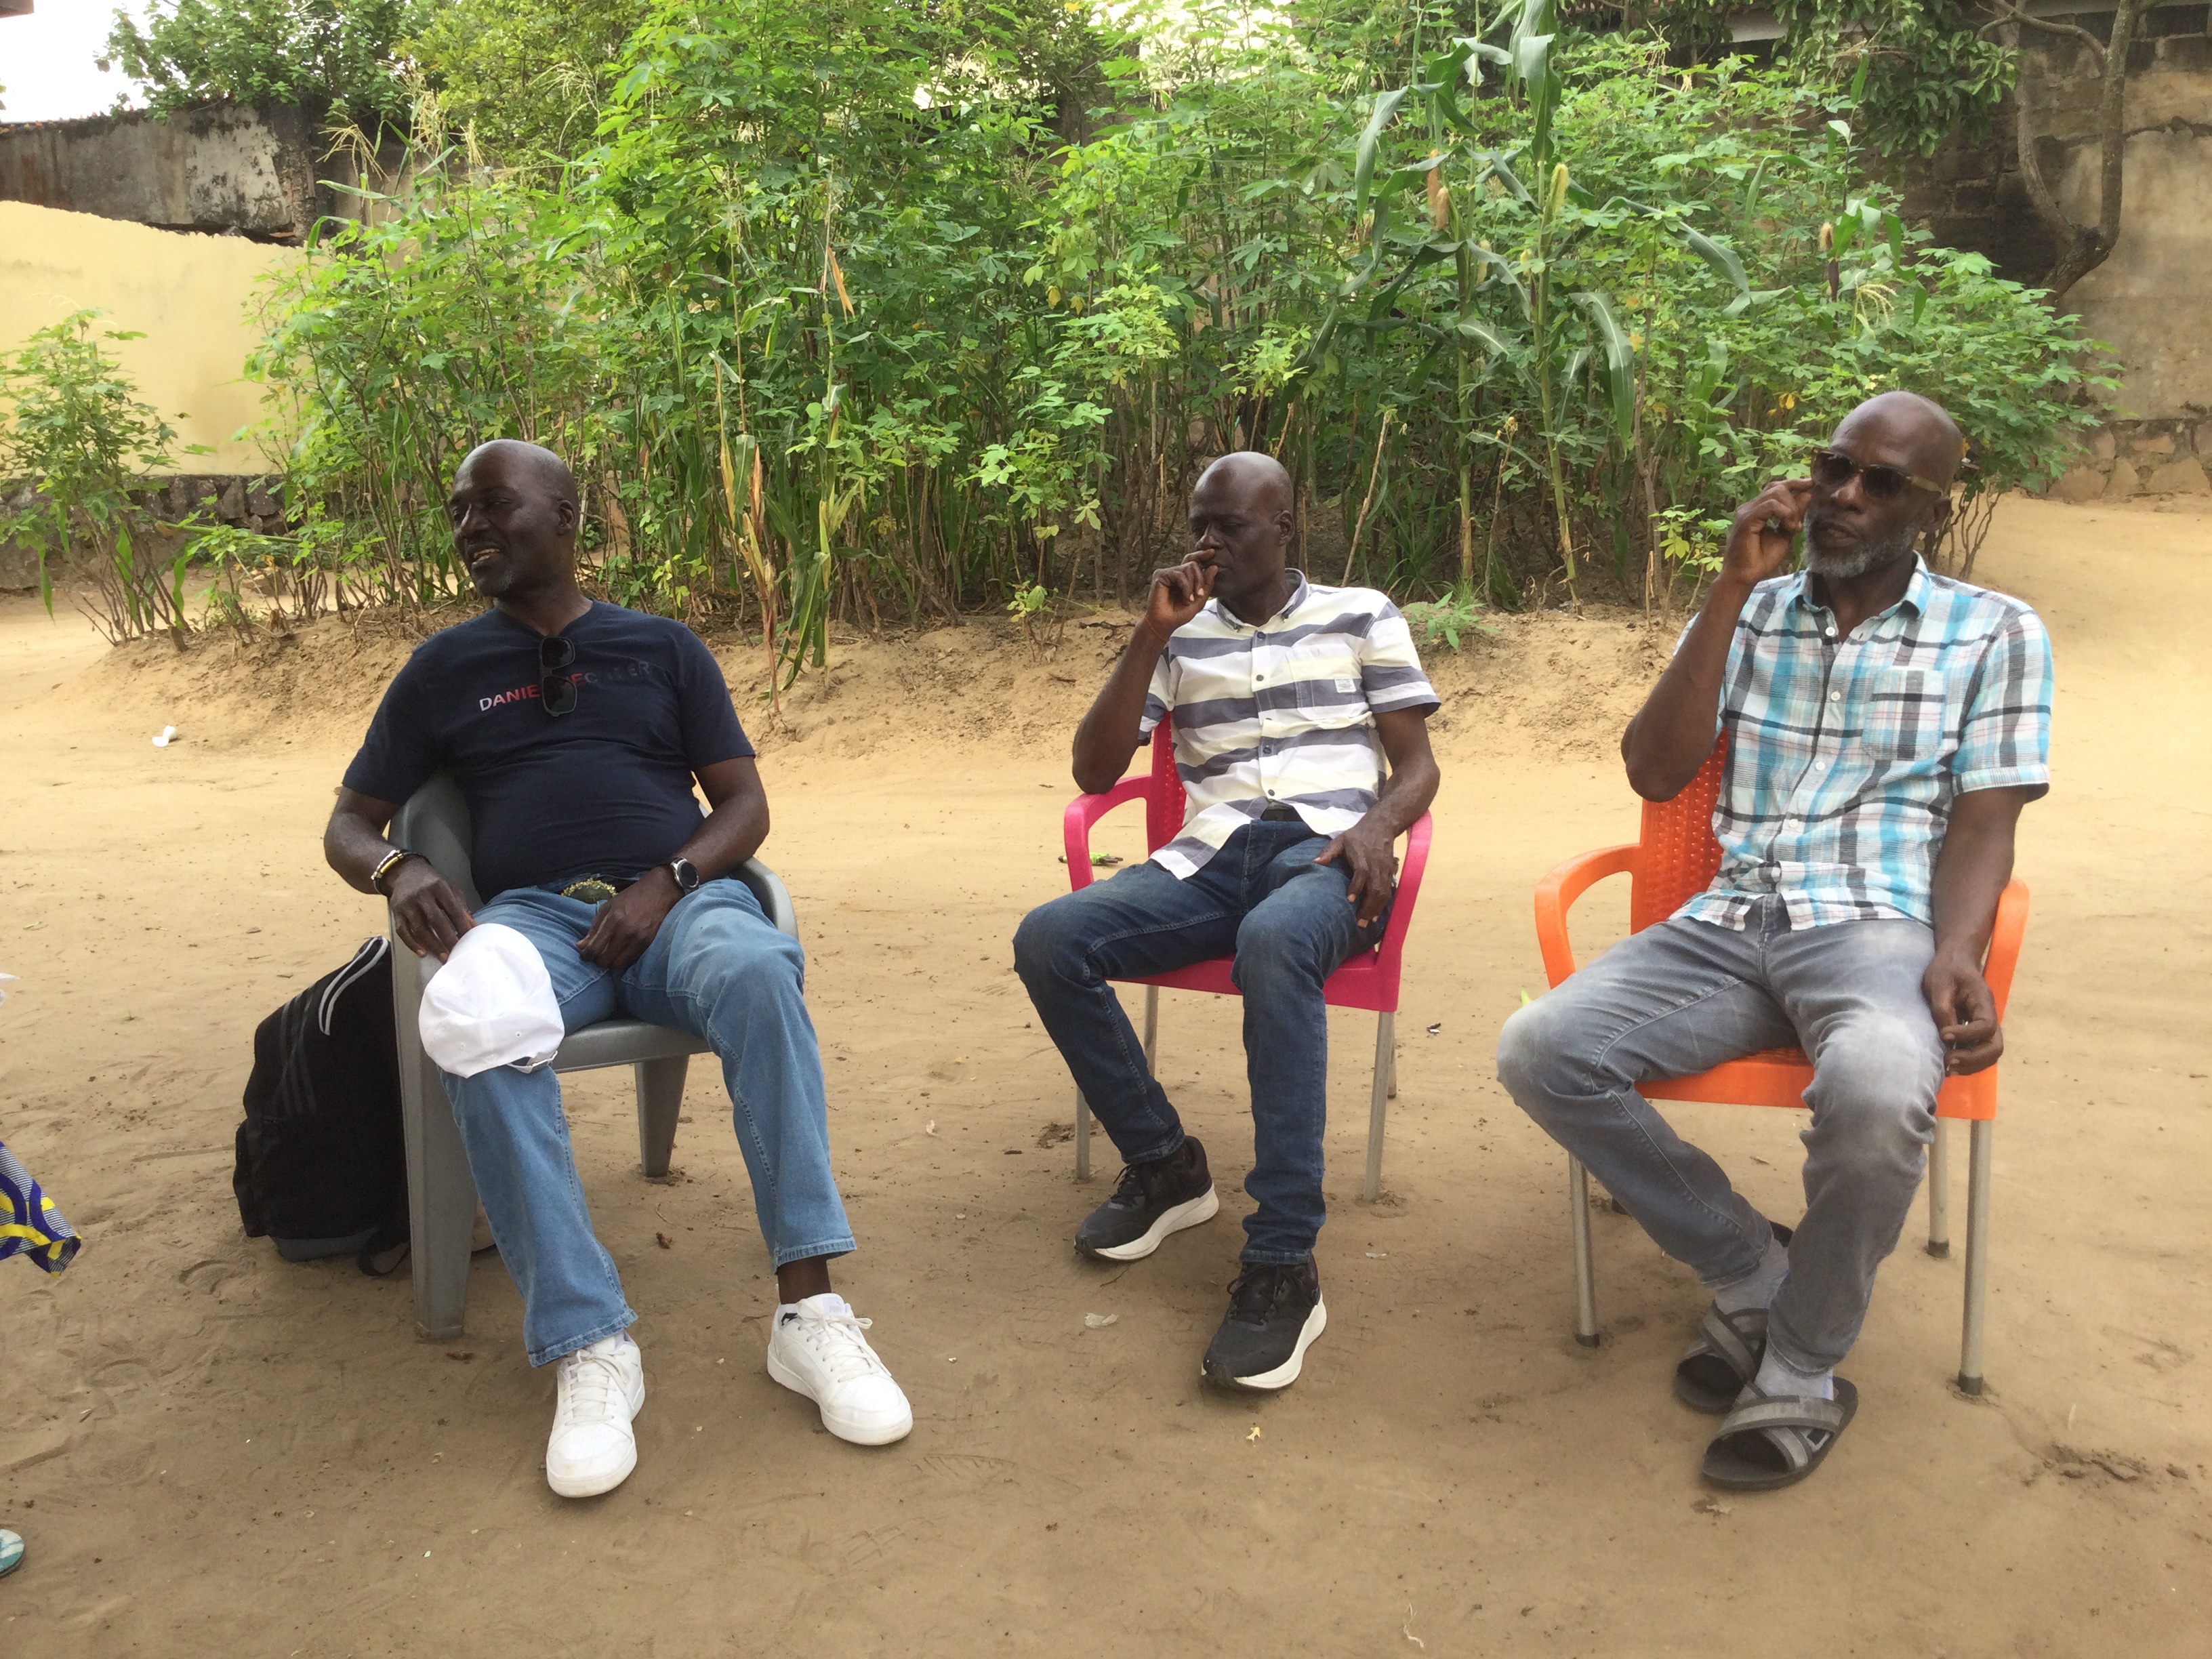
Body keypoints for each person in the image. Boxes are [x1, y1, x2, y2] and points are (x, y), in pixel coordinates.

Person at [325, 440, 912, 1500]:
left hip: (681, 906)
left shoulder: (662, 648)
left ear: (566, 516)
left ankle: (810, 1312)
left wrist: (667, 883)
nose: (470, 530)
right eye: (458, 513)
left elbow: (744, 804)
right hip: (536, 919)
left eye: (494, 506)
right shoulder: (443, 670)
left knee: (758, 970)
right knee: (476, 1015)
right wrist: (398, 868)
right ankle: (589, 1342)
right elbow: (349, 823)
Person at [1496, 392, 2051, 1490]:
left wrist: (1958, 950)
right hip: (1727, 922)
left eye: (1881, 482)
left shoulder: (1997, 632)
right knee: (1541, 1049)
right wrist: (1727, 589)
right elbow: (1656, 770)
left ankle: (1801, 1359)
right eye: (1834, 467)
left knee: (1881, 1090)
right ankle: (1753, 1264)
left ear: (1935, 511)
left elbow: (1987, 824)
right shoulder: (1753, 610)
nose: (1844, 495)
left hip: (1873, 928)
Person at [1014, 451, 1441, 1391]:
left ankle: (1285, 1260)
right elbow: (1094, 770)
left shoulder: (1362, 614)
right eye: (1199, 525)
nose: (1208, 543)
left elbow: (1418, 767)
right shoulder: (1180, 635)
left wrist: (1378, 827)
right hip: (1207, 863)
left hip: (1326, 856)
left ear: (1284, 527)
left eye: (1231, 526)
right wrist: (1149, 635)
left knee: (1276, 938)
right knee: (1049, 938)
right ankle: (1165, 1164)